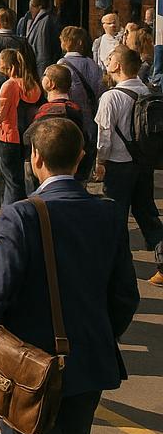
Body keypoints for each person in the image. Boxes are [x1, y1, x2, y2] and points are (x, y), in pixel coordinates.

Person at [0, 118, 139, 434]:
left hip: (29, 371)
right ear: (79, 158)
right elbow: (125, 297)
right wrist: (95, 335)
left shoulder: (21, 215)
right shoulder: (109, 214)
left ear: (36, 158)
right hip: (88, 366)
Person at [94, 45, 163, 286]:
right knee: (147, 213)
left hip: (118, 164)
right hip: (144, 162)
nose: (108, 60)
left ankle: (119, 270)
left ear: (118, 66)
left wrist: (100, 161)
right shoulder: (148, 91)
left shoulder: (110, 97)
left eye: (111, 57)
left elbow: (104, 135)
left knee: (116, 217)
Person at [0, 48, 41, 207]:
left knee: (11, 181)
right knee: (20, 178)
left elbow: (1, 113)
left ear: (7, 65)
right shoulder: (33, 84)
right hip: (27, 137)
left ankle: (11, 213)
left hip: (8, 136)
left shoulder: (9, 85)